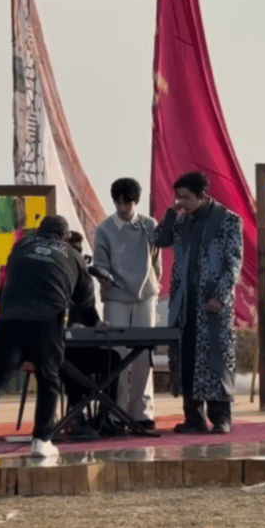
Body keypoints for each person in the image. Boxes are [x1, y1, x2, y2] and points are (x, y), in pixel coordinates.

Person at [0, 215, 95, 462]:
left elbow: (9, 281)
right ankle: (42, 440)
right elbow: (84, 301)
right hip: (47, 318)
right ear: (65, 236)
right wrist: (94, 323)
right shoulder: (73, 255)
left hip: (10, 316)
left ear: (40, 231)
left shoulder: (21, 245)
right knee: (48, 377)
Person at [154, 171, 242, 434]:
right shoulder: (181, 220)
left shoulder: (227, 220)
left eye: (186, 197)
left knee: (216, 359)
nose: (181, 202)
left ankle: (221, 418)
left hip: (213, 304)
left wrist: (220, 296)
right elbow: (159, 240)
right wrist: (171, 214)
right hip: (184, 303)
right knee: (187, 358)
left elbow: (233, 263)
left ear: (202, 195)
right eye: (178, 197)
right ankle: (193, 418)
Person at [93, 178, 162, 430]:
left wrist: (154, 287)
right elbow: (100, 263)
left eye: (128, 203)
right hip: (115, 297)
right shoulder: (104, 229)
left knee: (144, 354)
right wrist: (104, 277)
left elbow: (156, 262)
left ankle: (143, 412)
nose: (123, 208)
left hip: (146, 296)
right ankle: (115, 412)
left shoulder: (149, 225)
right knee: (117, 355)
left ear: (136, 202)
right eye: (119, 203)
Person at [61, 231, 122, 438]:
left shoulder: (85, 280)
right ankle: (78, 418)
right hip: (56, 349)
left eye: (79, 254)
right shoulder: (53, 275)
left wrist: (97, 324)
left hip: (83, 346)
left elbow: (89, 312)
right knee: (68, 362)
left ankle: (104, 417)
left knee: (113, 359)